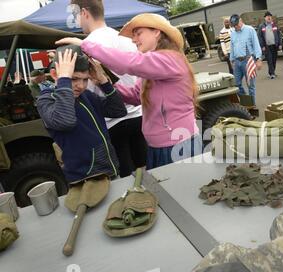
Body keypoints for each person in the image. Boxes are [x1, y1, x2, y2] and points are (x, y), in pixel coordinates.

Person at [56, 13, 202, 169]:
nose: (133, 40)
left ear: (157, 32)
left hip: (178, 143)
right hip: (159, 145)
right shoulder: (154, 66)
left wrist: (86, 45)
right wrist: (103, 81)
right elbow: (134, 96)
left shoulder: (170, 59)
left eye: (138, 33)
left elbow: (131, 62)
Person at [69, 0, 147, 178]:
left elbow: (84, 88)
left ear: (84, 13)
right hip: (139, 115)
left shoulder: (85, 46)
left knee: (126, 177)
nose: (75, 21)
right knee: (146, 169)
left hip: (112, 121)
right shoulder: (128, 40)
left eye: (75, 16)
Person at [37, 46, 127, 184]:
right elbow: (65, 121)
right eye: (73, 79)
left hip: (110, 169)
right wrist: (64, 80)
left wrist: (103, 81)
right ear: (55, 75)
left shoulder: (86, 95)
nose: (81, 86)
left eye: (85, 79)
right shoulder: (47, 100)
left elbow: (118, 111)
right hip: (86, 179)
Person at [229, 14, 262, 106]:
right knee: (236, 85)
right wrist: (232, 60)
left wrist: (259, 59)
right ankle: (246, 101)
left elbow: (256, 44)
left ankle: (252, 105)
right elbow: (232, 47)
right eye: (234, 25)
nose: (236, 27)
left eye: (237, 24)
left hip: (248, 61)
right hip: (237, 61)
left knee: (251, 85)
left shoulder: (250, 30)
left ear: (241, 20)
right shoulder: (232, 33)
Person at [257, 11, 281, 79]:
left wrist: (280, 44)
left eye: (270, 16)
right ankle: (272, 73)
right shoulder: (262, 26)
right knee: (269, 60)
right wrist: (262, 46)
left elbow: (279, 35)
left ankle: (272, 72)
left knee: (274, 59)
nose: (269, 17)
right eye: (267, 16)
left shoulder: (275, 25)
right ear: (265, 18)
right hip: (267, 46)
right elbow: (259, 37)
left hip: (274, 45)